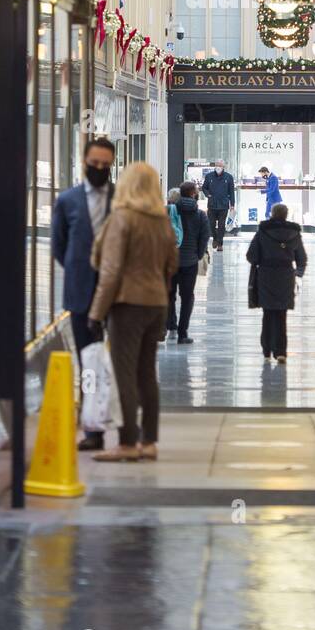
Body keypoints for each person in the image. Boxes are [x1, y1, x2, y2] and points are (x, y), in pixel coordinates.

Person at [87, 162, 178, 462]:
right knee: (146, 374)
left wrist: (96, 313)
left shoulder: (122, 218)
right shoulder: (161, 221)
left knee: (124, 374)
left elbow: (111, 271)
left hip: (127, 305)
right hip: (156, 304)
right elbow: (171, 265)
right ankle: (149, 441)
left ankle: (127, 442)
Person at [51, 135, 115, 450]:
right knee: (87, 360)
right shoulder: (68, 201)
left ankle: (117, 421)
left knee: (116, 361)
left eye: (105, 165)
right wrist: (82, 270)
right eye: (94, 164)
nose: (99, 169)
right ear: (84, 163)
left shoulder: (121, 199)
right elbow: (59, 247)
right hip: (80, 293)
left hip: (118, 294)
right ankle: (92, 429)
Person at [246, 202, 307, 363]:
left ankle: (266, 350)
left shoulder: (263, 231)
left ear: (272, 214)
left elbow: (251, 255)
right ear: (286, 215)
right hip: (286, 275)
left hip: (266, 274)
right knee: (281, 314)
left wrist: (261, 260)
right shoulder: (294, 233)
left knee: (268, 313)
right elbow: (302, 258)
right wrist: (298, 273)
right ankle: (281, 351)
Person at [166, 180, 209, 344]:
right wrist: (197, 255)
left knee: (168, 294)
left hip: (169, 261)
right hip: (189, 261)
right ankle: (183, 333)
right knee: (187, 297)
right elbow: (205, 237)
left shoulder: (169, 211)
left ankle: (171, 326)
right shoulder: (200, 215)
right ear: (193, 194)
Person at [201, 158, 235, 252]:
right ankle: (215, 238)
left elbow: (231, 192)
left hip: (223, 205)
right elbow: (204, 188)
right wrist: (208, 195)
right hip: (212, 205)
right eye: (217, 165)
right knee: (211, 224)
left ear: (223, 167)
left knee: (221, 225)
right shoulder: (209, 176)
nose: (218, 167)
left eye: (220, 165)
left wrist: (232, 204)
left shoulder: (229, 177)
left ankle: (220, 243)